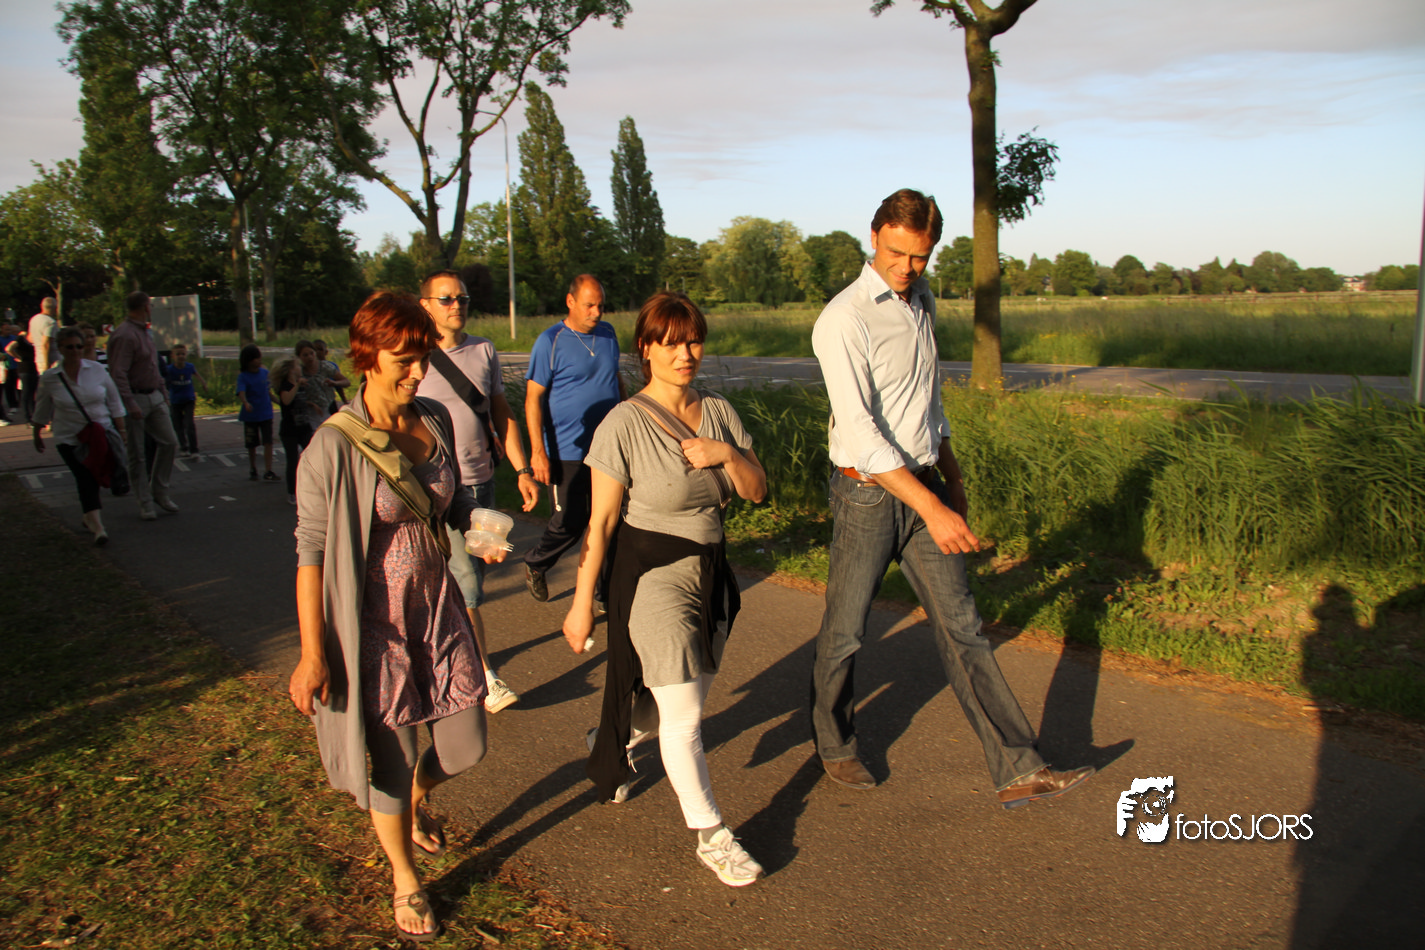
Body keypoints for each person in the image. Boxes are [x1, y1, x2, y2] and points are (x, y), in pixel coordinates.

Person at [809, 188, 1095, 808]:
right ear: (874, 236)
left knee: (963, 628)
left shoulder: (922, 302)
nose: (906, 268)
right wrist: (931, 507)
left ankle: (1018, 768)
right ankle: (834, 742)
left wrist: (951, 476)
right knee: (846, 632)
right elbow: (861, 433)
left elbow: (926, 397)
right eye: (896, 253)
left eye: (920, 256)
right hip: (866, 496)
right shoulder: (844, 318)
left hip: (925, 484)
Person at [289, 291, 502, 943]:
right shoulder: (332, 445)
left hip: (438, 609)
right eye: (404, 360)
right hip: (375, 629)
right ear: (366, 355)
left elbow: (450, 501)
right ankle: (405, 879)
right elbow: (311, 553)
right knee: (393, 760)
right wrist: (313, 654)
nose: (417, 372)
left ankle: (413, 799)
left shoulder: (432, 416)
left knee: (466, 747)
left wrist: (476, 522)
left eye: (423, 357)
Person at [562, 291, 768, 888]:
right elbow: (601, 523)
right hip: (651, 575)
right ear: (646, 350)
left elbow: (756, 490)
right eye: (671, 343)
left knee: (672, 702)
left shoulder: (720, 412)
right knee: (686, 716)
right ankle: (712, 836)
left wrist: (725, 454)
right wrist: (581, 605)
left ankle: (616, 735)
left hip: (711, 572)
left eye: (694, 340)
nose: (685, 354)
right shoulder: (622, 424)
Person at [416, 270, 540, 715]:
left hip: (481, 484)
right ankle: (485, 678)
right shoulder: (414, 356)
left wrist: (522, 469)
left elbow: (501, 413)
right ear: (426, 305)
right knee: (466, 581)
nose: (457, 305)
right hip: (440, 489)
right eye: (447, 299)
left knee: (478, 574)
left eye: (463, 298)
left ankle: (445, 645)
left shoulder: (484, 350)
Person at [522, 274, 625, 606]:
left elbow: (616, 380)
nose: (596, 312)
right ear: (570, 302)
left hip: (608, 448)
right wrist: (538, 452)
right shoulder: (550, 341)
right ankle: (536, 563)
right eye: (589, 305)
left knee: (608, 520)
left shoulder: (608, 334)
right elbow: (533, 399)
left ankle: (605, 593)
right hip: (566, 450)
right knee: (570, 522)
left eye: (601, 306)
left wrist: (629, 417)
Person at [31, 327, 127, 545]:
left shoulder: (97, 370)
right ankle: (98, 527)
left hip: (99, 435)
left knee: (95, 475)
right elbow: (42, 408)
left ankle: (88, 516)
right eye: (69, 347)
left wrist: (122, 431)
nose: (75, 351)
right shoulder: (51, 377)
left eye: (78, 346)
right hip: (69, 437)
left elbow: (114, 402)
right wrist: (37, 433)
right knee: (85, 476)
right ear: (60, 348)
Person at [107, 291, 180, 521]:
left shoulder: (145, 332)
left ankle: (159, 490)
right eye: (150, 305)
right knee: (137, 453)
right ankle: (145, 501)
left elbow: (153, 365)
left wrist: (163, 392)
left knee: (170, 442)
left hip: (153, 394)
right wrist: (129, 402)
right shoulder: (124, 335)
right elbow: (118, 372)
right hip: (136, 396)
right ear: (144, 307)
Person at [273, 356, 313, 506]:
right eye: (297, 366)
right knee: (292, 461)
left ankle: (310, 488)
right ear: (290, 370)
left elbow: (299, 401)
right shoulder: (286, 386)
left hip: (304, 427)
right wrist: (297, 385)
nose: (300, 368)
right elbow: (286, 400)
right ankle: (292, 492)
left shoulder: (300, 384)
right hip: (289, 429)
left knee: (311, 456)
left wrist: (311, 404)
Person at [236, 344, 277, 482]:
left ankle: (268, 469)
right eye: (256, 358)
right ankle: (253, 467)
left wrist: (279, 402)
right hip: (251, 415)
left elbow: (268, 391)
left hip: (266, 413)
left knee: (268, 442)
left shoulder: (264, 373)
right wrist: (245, 403)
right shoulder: (243, 377)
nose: (259, 360)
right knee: (252, 443)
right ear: (248, 360)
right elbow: (241, 392)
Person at [295, 339, 347, 433]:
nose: (310, 357)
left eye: (311, 353)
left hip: (329, 406)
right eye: (305, 355)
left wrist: (335, 383)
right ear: (299, 357)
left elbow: (346, 381)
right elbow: (294, 396)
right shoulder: (298, 371)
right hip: (310, 412)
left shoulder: (325, 366)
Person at [164, 343, 205, 458]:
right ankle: (183, 446)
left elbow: (196, 374)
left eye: (183, 354)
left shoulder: (189, 367)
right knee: (177, 425)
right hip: (175, 400)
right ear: (173, 356)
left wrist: (203, 383)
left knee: (189, 424)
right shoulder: (169, 369)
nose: (181, 356)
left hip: (188, 399)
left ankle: (194, 449)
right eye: (178, 354)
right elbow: (164, 382)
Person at [29, 297, 58, 372]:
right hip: (51, 360)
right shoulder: (50, 322)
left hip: (39, 358)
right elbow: (46, 343)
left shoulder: (34, 319)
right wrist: (46, 363)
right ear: (55, 308)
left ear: (41, 306)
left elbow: (30, 338)